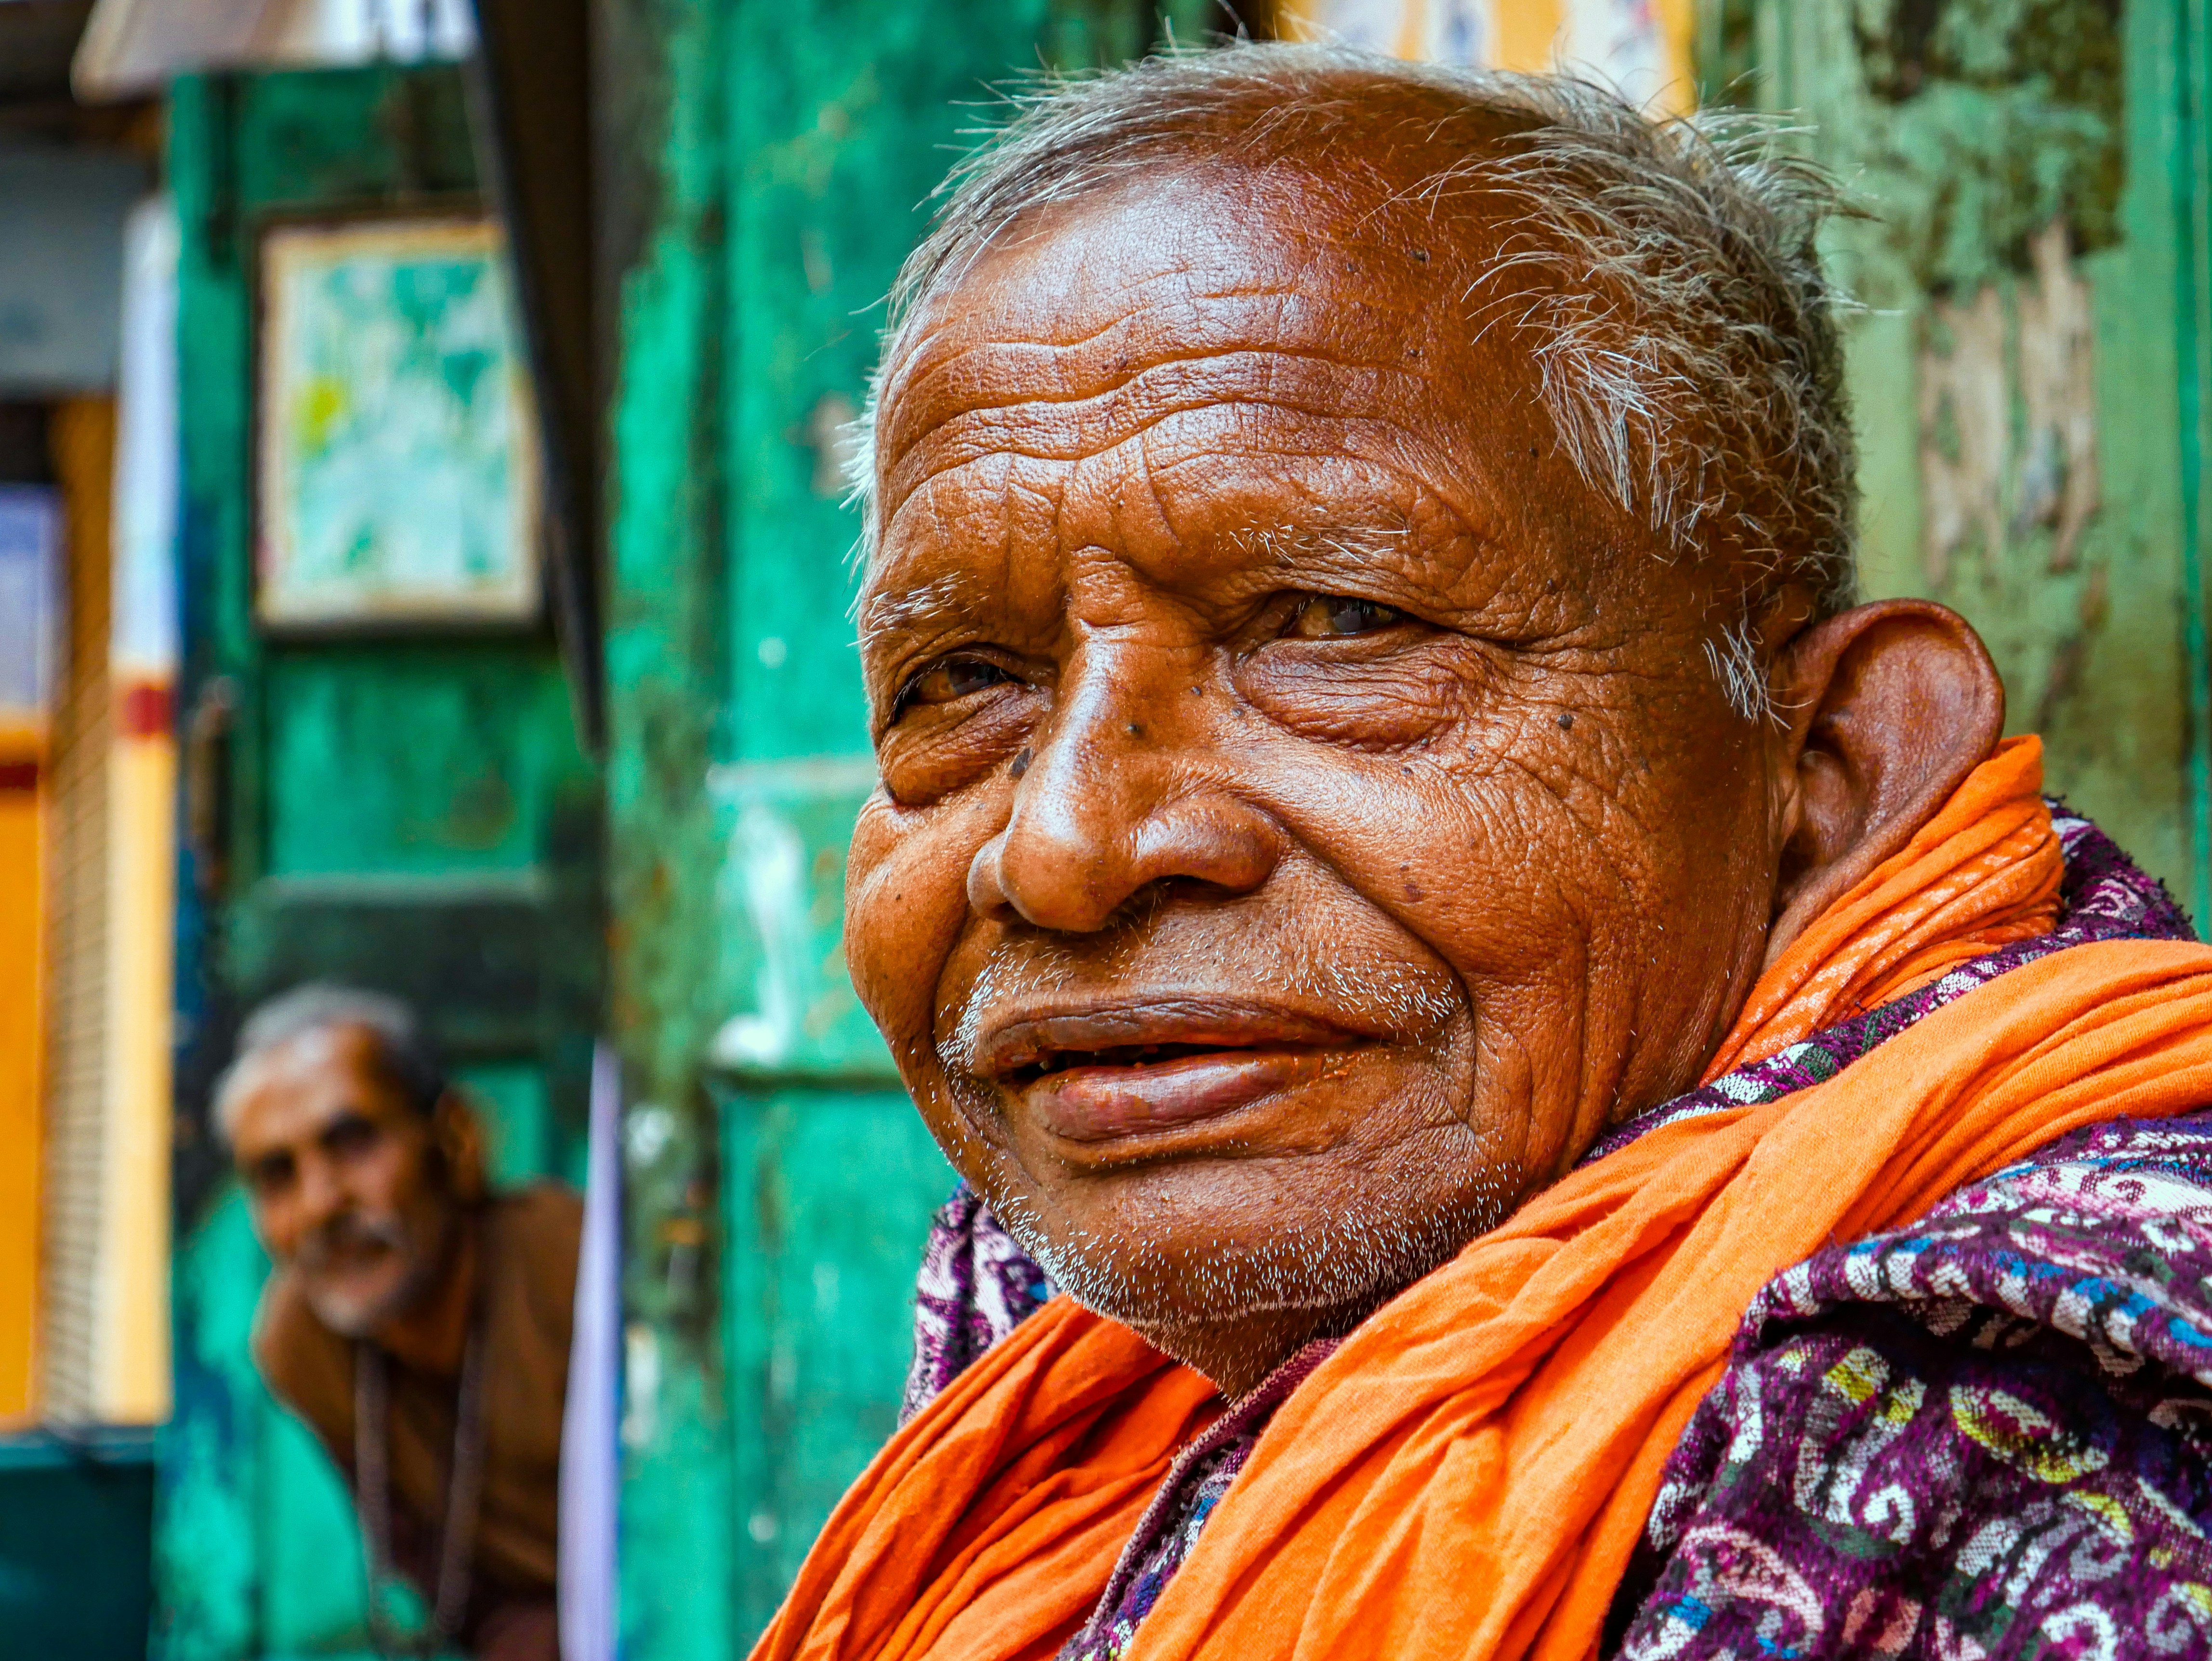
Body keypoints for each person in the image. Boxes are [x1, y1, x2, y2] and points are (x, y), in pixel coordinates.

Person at [757, 43, 2212, 1661]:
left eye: (1336, 625)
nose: (1071, 845)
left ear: (1827, 760)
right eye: (964, 679)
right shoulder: (1074, 1328)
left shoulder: (2042, 1410)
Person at [219, 985, 579, 1661]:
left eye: (352, 1143)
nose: (322, 1203)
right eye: (277, 1175)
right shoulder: (300, 1344)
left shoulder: (575, 1270)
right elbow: (459, 1596)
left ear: (456, 1139)